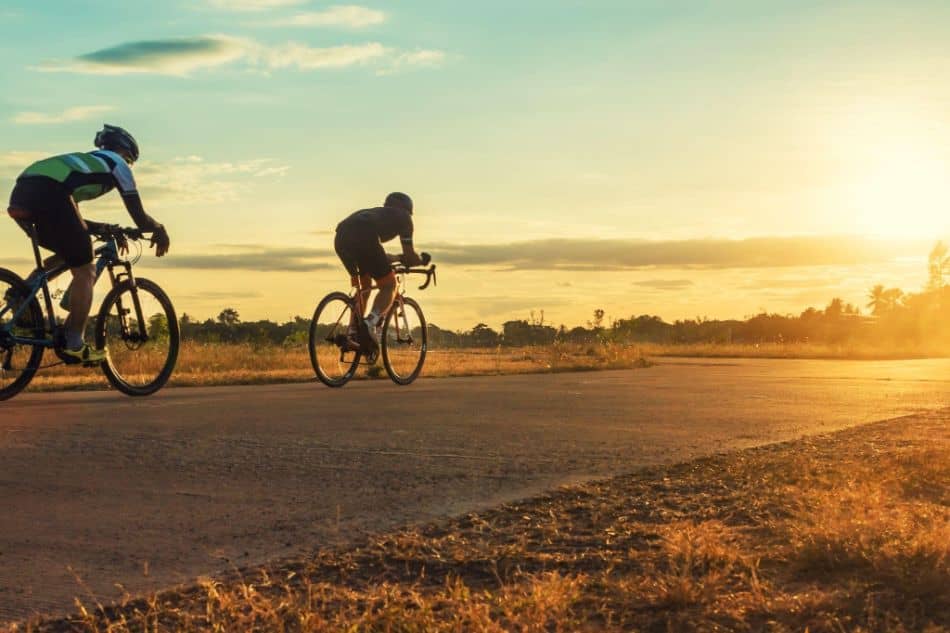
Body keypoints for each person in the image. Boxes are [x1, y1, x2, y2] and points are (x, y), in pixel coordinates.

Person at [5, 124, 170, 364]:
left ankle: (21, 292)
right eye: (130, 160)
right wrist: (159, 229)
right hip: (50, 192)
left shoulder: (82, 165)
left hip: (23, 191)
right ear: (126, 152)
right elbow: (139, 217)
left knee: (69, 253)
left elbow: (71, 216)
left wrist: (103, 228)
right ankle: (74, 342)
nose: (128, 165)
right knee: (86, 269)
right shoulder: (116, 163)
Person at [334, 192, 425, 352]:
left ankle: (354, 333)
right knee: (389, 285)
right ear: (408, 209)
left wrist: (397, 257)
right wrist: (421, 261)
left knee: (365, 286)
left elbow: (379, 256)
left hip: (342, 237)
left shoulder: (378, 214)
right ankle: (370, 323)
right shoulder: (404, 218)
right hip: (365, 236)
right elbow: (410, 255)